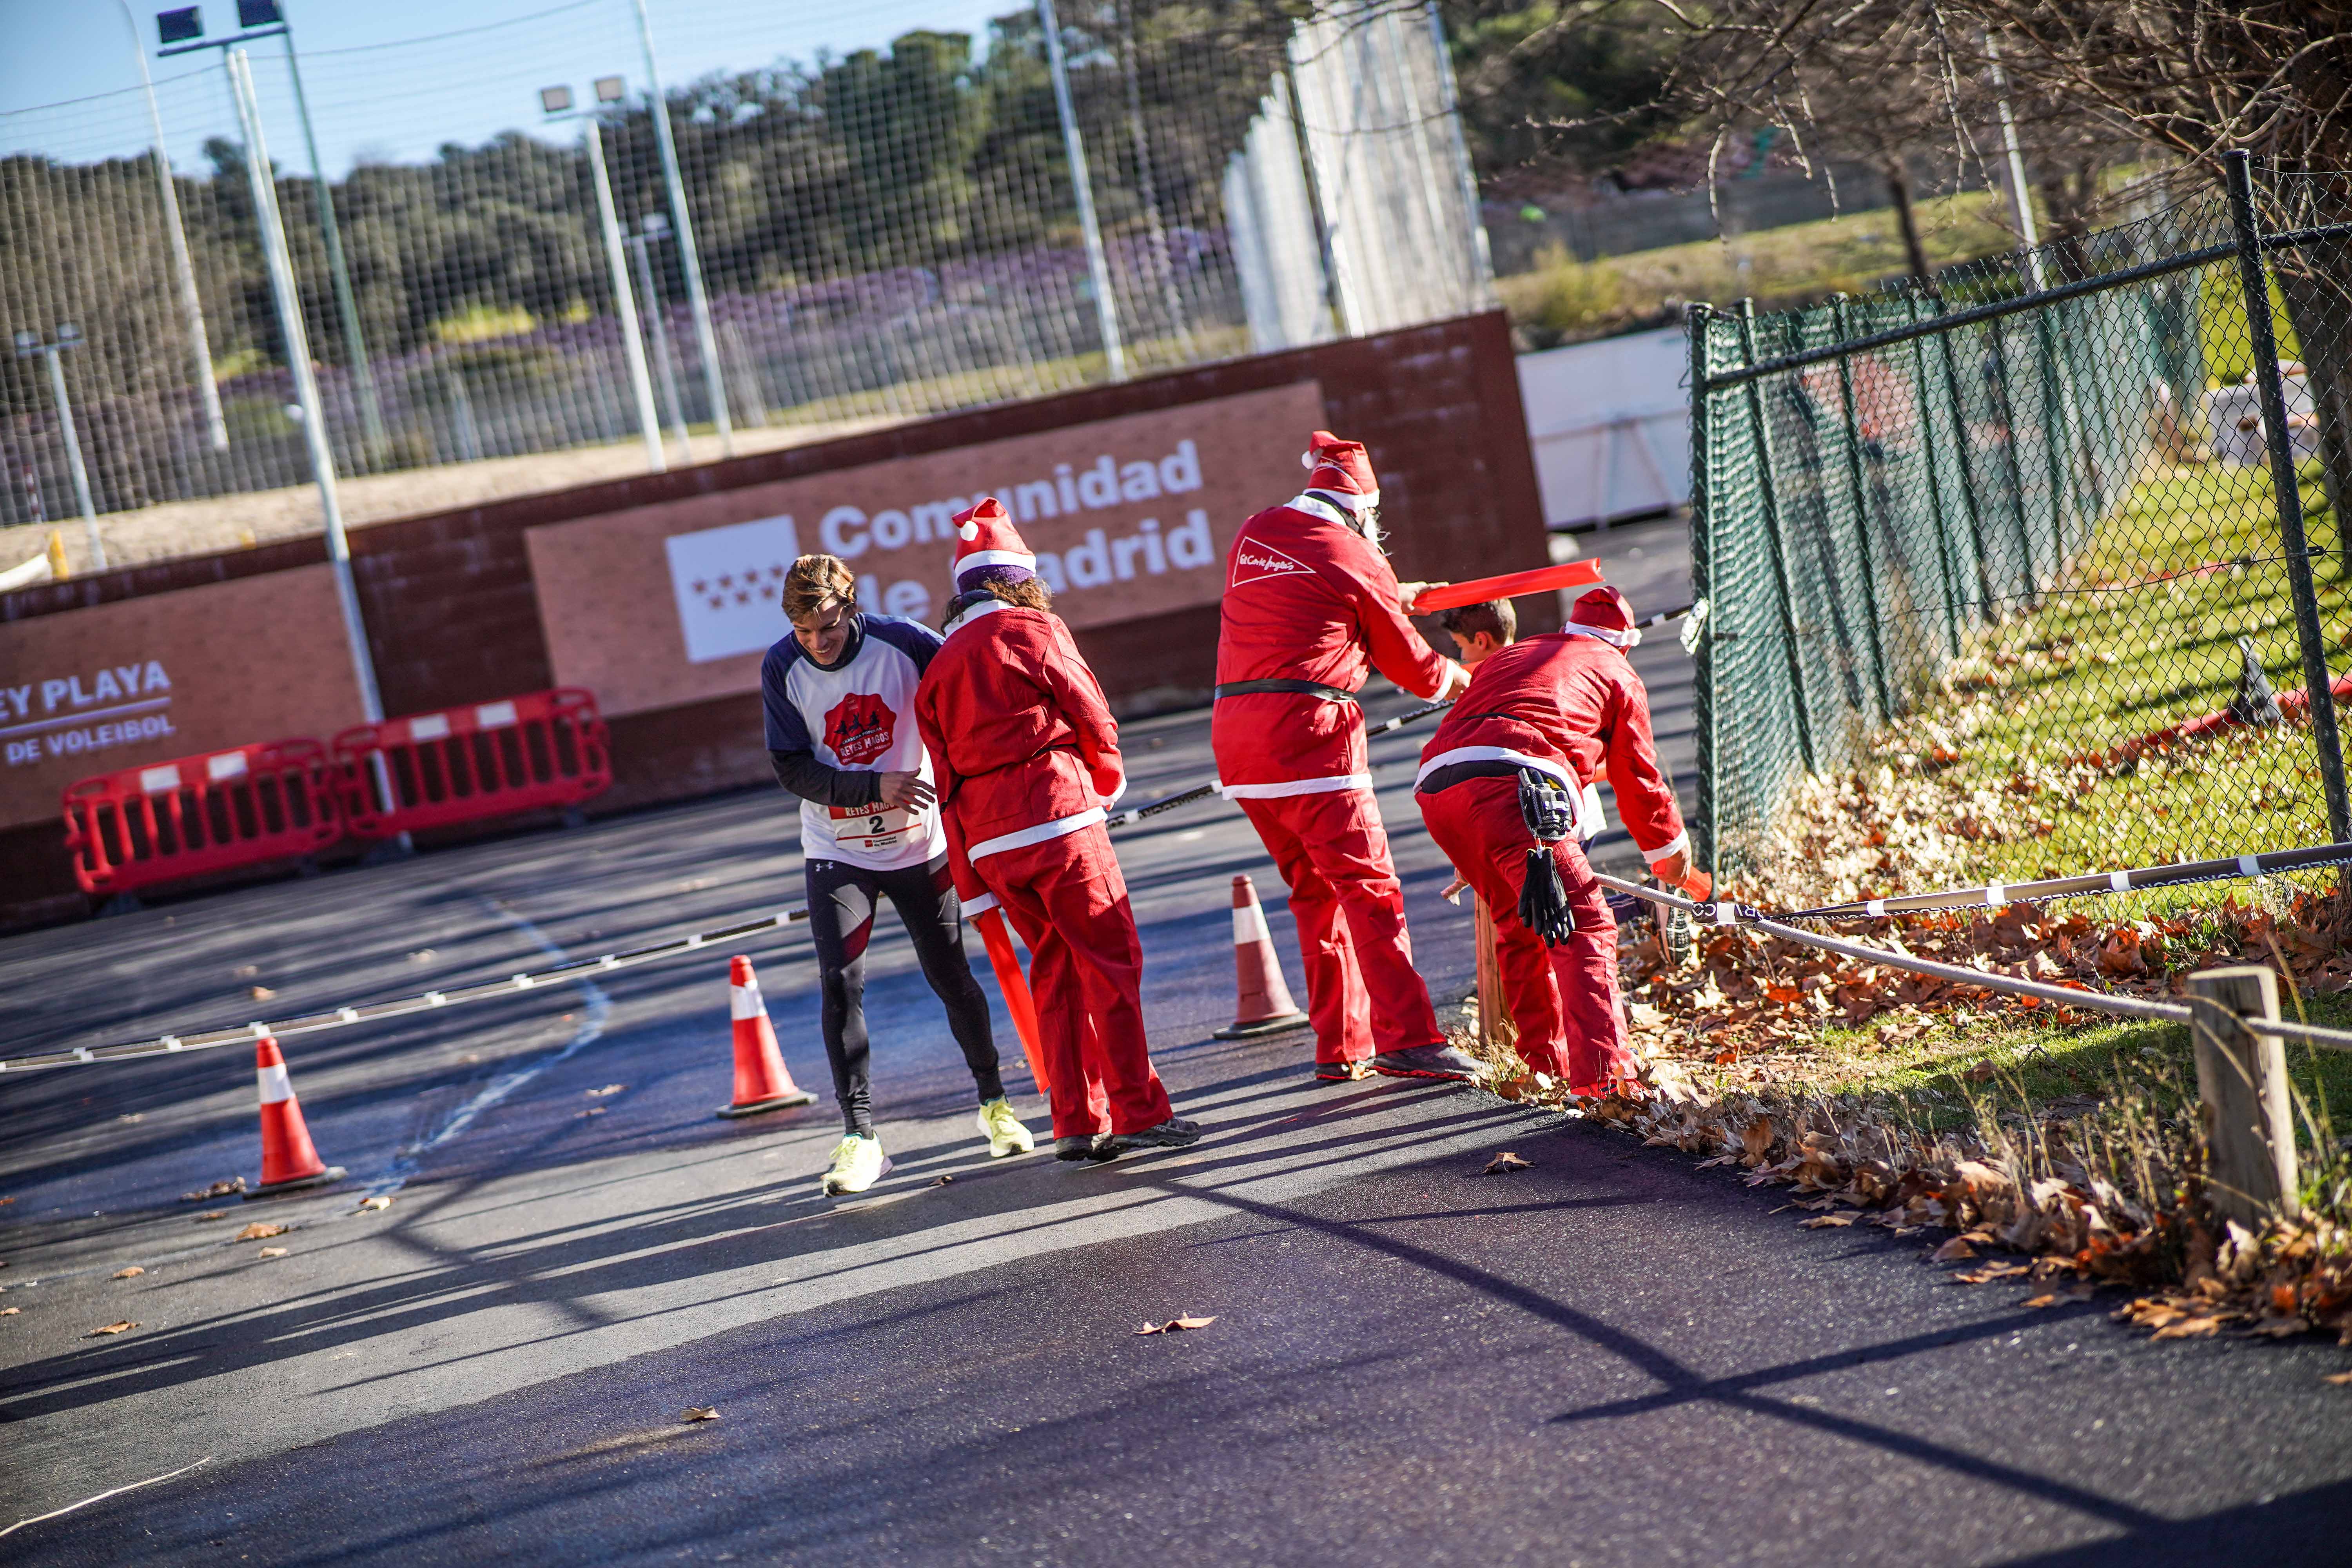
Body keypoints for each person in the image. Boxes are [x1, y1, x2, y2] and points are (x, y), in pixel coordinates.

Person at [913, 499, 1199, 1163]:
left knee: (1056, 972)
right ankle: (1138, 1110)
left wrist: (970, 874)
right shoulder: (1034, 628)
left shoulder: (940, 666)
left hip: (991, 843)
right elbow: (1091, 711)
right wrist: (1105, 780)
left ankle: (1075, 1120)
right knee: (1110, 962)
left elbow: (943, 777)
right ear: (1019, 579)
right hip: (1059, 817)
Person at [1210, 429, 1482, 1085]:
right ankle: (1410, 1039)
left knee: (1312, 893)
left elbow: (1304, 603)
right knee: (1368, 891)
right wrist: (1465, 682)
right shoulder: (1359, 556)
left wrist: (1390, 591)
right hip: (1311, 736)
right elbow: (1414, 670)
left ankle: (1341, 1045)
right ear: (1364, 508)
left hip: (1238, 740)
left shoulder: (1255, 532)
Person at [762, 555, 1034, 1196]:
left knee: (950, 975)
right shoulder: (782, 666)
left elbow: (976, 672)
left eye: (827, 628)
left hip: (920, 843)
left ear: (852, 610)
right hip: (838, 847)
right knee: (840, 984)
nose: (817, 643)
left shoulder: (904, 642)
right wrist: (869, 787)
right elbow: (790, 769)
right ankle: (861, 1138)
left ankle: (995, 1105)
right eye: (804, 631)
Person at [1413, 585, 1711, 1096]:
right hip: (1516, 784)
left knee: (1522, 925)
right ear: (1625, 643)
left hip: (1437, 786)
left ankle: (1542, 1068)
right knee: (1586, 925)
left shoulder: (1522, 652)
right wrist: (1671, 861)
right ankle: (1605, 1079)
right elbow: (1638, 779)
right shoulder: (1617, 673)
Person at [1436, 598, 1515, 671]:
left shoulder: (1487, 683)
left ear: (1481, 641)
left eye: (1460, 646)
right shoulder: (1526, 662)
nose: (1463, 657)